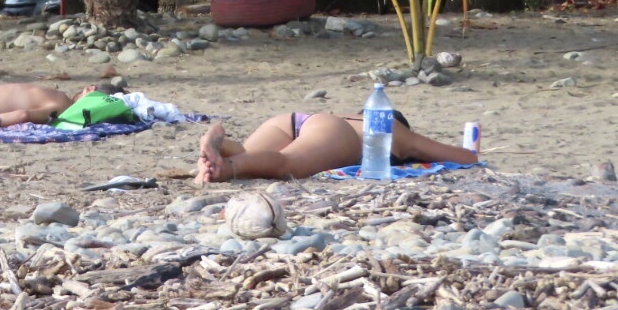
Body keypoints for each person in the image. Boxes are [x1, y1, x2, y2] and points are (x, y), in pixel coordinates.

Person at [194, 111, 478, 182]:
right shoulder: (393, 129)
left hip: (291, 120)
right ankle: (226, 167)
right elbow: (466, 158)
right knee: (287, 164)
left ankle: (218, 147)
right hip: (332, 131)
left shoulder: (354, 116)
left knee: (251, 158)